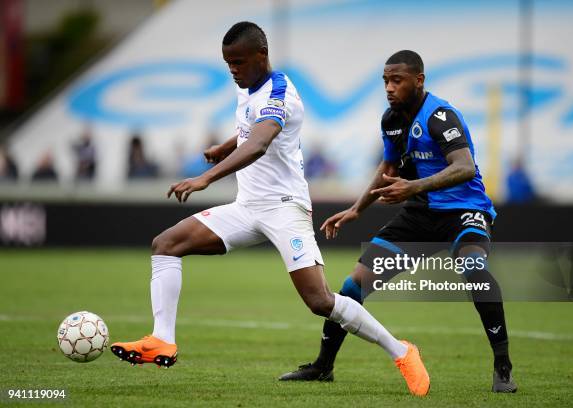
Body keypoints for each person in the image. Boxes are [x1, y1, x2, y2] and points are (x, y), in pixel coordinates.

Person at [111, 23, 430, 397]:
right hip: (246, 208)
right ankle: (162, 340)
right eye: (228, 63)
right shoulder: (247, 85)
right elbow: (251, 126)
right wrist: (226, 145)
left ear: (261, 57)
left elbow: (261, 142)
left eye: (239, 62)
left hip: (284, 209)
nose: (233, 69)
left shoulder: (281, 93)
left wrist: (206, 177)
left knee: (320, 301)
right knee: (165, 244)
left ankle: (402, 351)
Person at [278, 50, 517, 393]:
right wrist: (357, 208)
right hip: (419, 216)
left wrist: (414, 186)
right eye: (385, 81)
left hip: (464, 212)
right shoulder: (391, 119)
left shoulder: (440, 116)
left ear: (419, 80)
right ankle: (323, 366)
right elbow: (388, 169)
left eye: (397, 80)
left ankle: (503, 366)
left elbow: (464, 167)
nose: (389, 88)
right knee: (352, 286)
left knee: (474, 270)